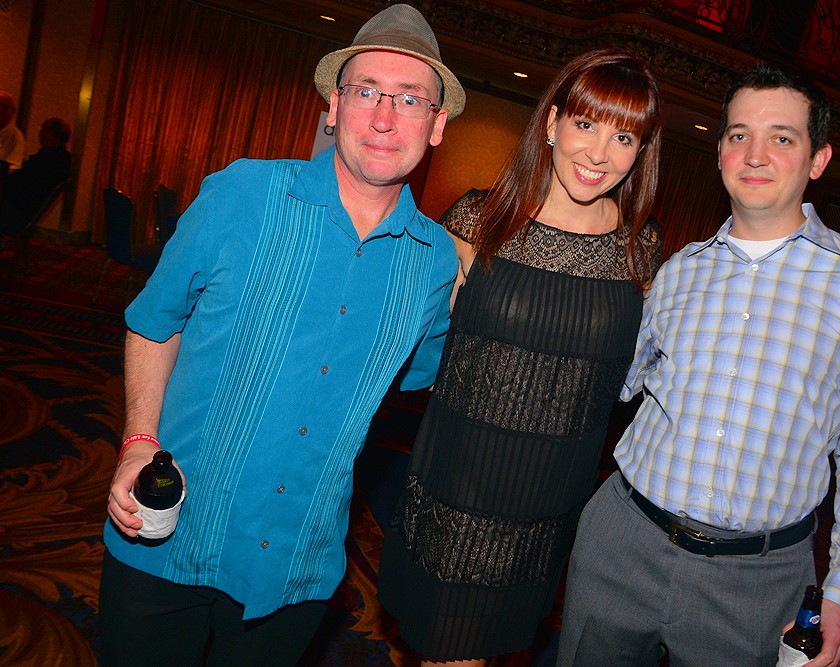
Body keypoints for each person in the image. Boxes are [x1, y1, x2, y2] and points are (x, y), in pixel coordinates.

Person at [99, 5, 464, 665]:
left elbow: (419, 373)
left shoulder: (436, 262)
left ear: (437, 125)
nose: (385, 118)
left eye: (410, 99)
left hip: (295, 567)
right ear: (334, 107)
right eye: (367, 92)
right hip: (168, 534)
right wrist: (138, 441)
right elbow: (153, 321)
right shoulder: (242, 192)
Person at [557, 62, 840, 667]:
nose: (754, 154)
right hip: (622, 545)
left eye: (782, 138)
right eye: (739, 134)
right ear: (720, 150)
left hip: (758, 585)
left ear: (818, 160)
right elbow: (613, 383)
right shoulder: (679, 270)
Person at [378, 47, 664, 666]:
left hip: (550, 500)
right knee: (451, 652)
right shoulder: (478, 220)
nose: (598, 153)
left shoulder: (641, 251)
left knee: (497, 648)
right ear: (553, 121)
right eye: (585, 124)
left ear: (641, 151)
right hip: (461, 483)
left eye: (623, 137)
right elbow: (405, 337)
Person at [0, 118, 71, 233]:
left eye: (43, 130)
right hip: (23, 209)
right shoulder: (60, 158)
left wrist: (6, 173)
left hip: (17, 211)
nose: (40, 133)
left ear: (52, 135)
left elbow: (23, 182)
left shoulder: (50, 160)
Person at [0, 91, 25, 172]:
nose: (1, 109)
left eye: (4, 106)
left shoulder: (16, 136)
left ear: (12, 111)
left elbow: (13, 167)